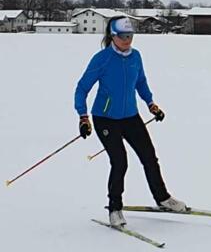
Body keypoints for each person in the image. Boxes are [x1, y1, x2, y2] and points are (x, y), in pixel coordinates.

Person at [74, 16, 186, 227]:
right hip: (105, 119)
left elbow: (141, 82)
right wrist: (83, 116)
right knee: (120, 162)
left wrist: (151, 103)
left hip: (130, 116)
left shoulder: (136, 56)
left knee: (149, 157)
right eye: (123, 36)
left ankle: (162, 198)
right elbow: (81, 88)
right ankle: (115, 208)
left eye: (130, 36)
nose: (127, 40)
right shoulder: (102, 59)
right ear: (112, 36)